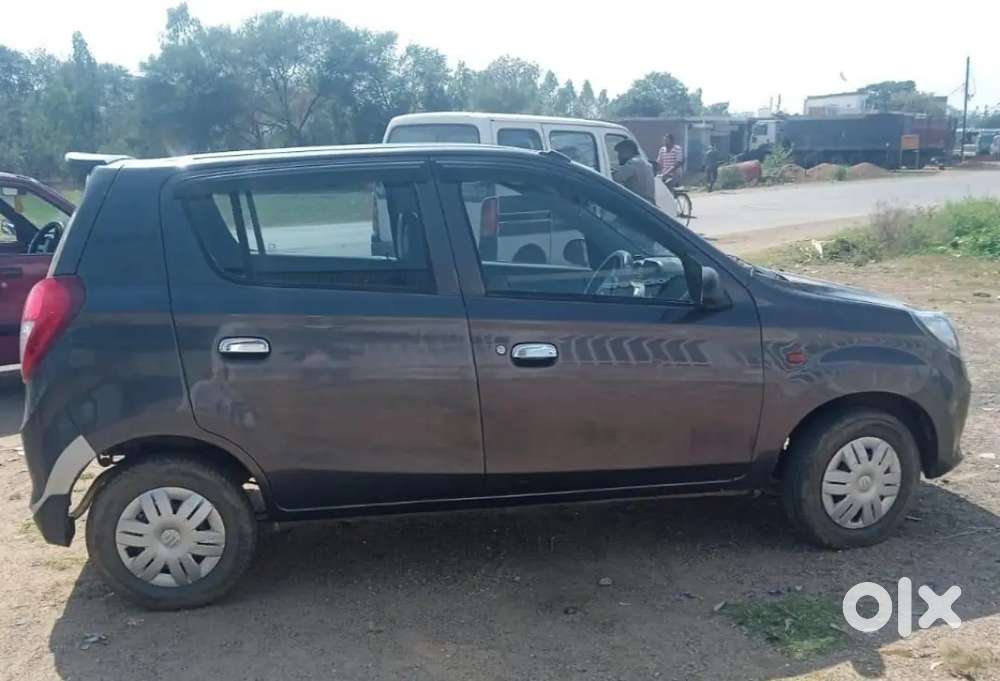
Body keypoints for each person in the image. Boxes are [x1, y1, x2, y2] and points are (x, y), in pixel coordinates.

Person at [611, 139, 656, 204]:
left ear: (628, 151)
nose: (619, 156)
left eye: (620, 153)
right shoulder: (645, 162)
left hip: (637, 204)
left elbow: (616, 178)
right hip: (648, 204)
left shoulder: (632, 163)